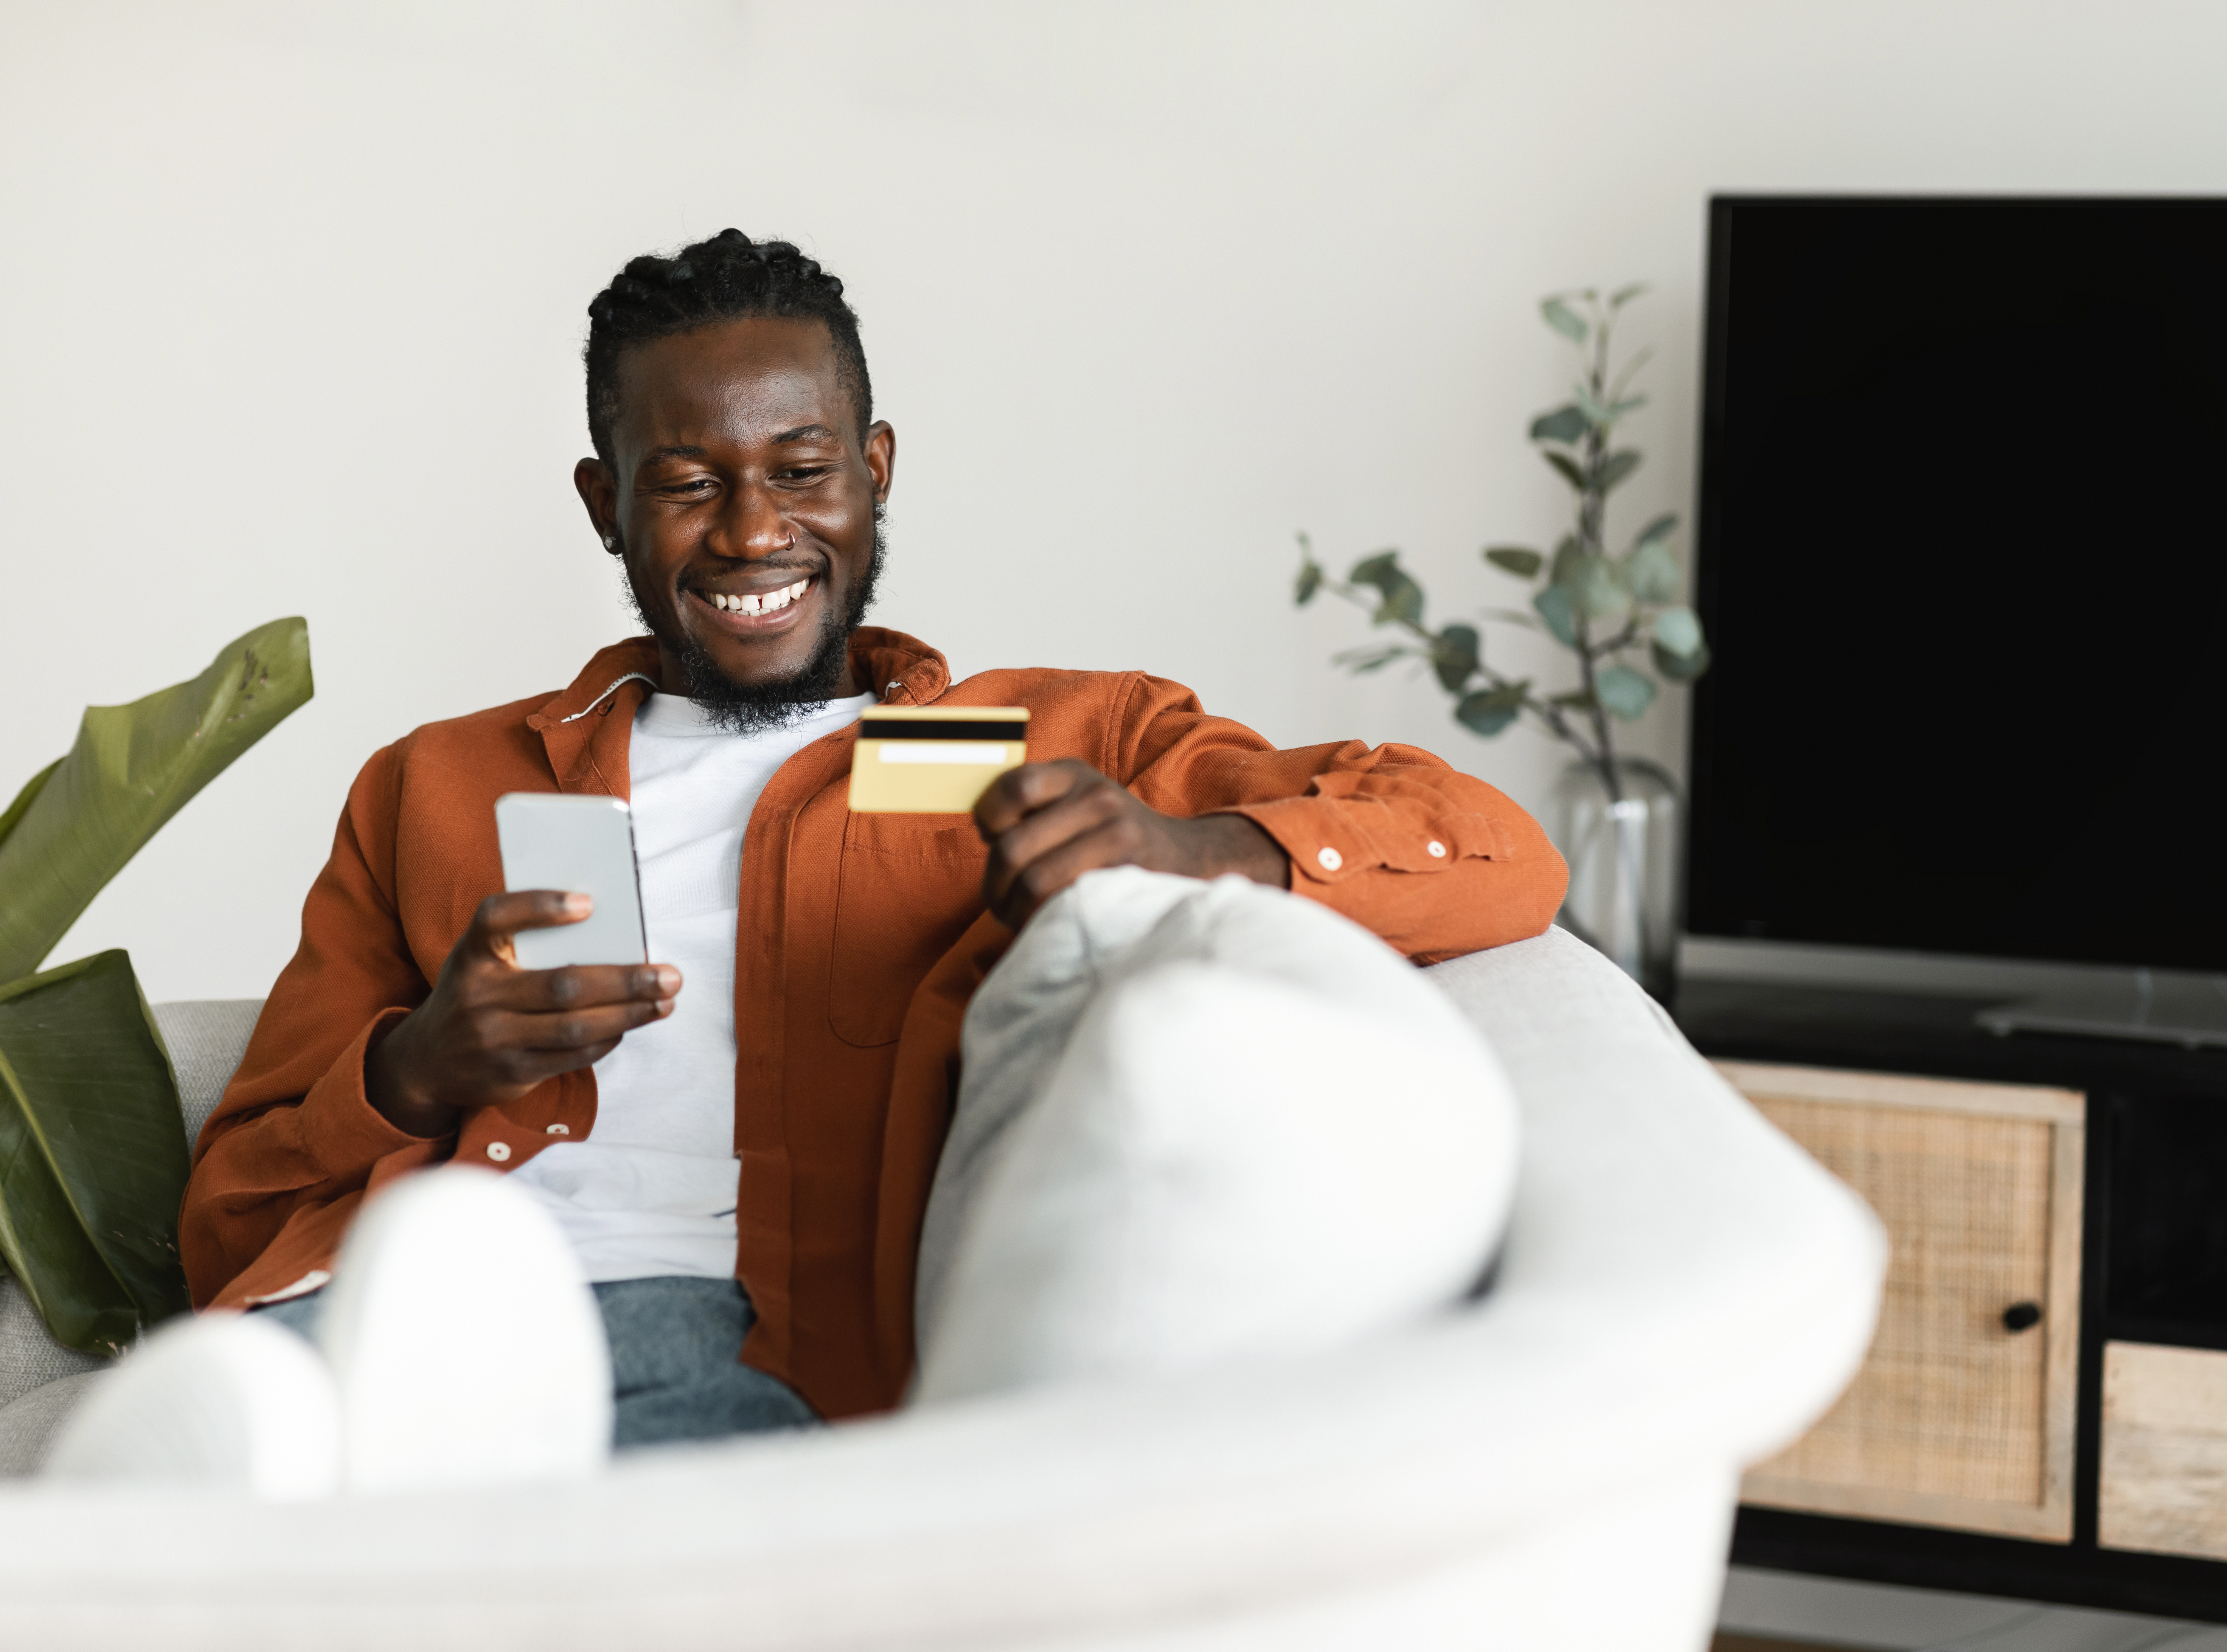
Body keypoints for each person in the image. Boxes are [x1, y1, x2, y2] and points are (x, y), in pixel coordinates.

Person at [179, 230, 1568, 1444]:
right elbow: (222, 1221)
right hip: (386, 1308)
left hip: (727, 1342)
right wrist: (420, 1068)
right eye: (685, 482)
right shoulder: (446, 784)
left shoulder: (1003, 748)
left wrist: (1192, 852)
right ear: (607, 504)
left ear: (874, 472)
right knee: (243, 1448)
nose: (752, 532)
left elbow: (1498, 847)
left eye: (801, 469)